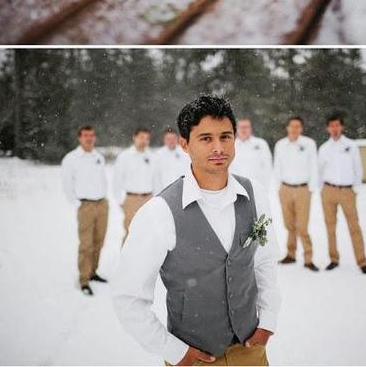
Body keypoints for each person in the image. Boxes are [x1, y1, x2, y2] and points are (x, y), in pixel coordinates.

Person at [112, 94, 281, 366]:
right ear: (184, 145)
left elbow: (264, 260)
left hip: (251, 352)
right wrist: (174, 351)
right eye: (206, 138)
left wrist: (268, 320)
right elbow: (127, 296)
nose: (218, 147)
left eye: (225, 137)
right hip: (194, 358)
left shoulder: (255, 194)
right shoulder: (159, 211)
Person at [318, 113, 366, 274]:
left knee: (354, 227)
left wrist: (355, 189)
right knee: (330, 226)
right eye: (331, 125)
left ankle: (362, 262)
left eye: (337, 125)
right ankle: (333, 259)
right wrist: (322, 189)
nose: (334, 128)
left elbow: (358, 169)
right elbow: (319, 170)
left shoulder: (351, 146)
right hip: (328, 191)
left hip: (347, 191)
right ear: (328, 128)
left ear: (341, 127)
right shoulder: (324, 148)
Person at [61, 125, 108, 296]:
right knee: (86, 244)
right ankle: (84, 279)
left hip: (102, 204)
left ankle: (93, 272)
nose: (89, 138)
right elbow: (67, 184)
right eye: (86, 135)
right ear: (79, 138)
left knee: (99, 241)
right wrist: (77, 204)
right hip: (85, 205)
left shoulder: (98, 157)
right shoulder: (71, 158)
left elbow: (102, 179)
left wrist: (104, 199)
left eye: (92, 135)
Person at [274, 116, 319, 271]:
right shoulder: (280, 145)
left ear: (301, 128)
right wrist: (278, 187)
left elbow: (314, 166)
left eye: (297, 126)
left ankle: (308, 258)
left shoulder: (309, 144)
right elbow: (277, 166)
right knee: (289, 225)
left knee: (302, 226)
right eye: (292, 126)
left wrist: (311, 189)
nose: (294, 129)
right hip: (285, 189)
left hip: (303, 189)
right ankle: (290, 254)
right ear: (287, 128)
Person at [113, 127, 155, 242]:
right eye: (141, 137)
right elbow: (117, 181)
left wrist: (156, 199)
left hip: (149, 199)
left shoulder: (152, 156)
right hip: (132, 199)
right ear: (134, 137)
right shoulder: (125, 156)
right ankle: (127, 259)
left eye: (146, 138)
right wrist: (121, 201)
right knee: (130, 234)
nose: (144, 141)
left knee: (148, 233)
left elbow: (156, 180)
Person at [229, 118, 273, 189]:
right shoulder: (231, 145)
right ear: (236, 129)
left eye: (246, 127)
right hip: (236, 188)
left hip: (257, 187)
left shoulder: (261, 144)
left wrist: (265, 187)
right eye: (241, 127)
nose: (243, 129)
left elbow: (268, 167)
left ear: (251, 128)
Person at [153, 127, 190, 194]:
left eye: (173, 138)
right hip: (164, 192)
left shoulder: (185, 153)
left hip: (183, 191)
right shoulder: (158, 155)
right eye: (168, 139)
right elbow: (156, 177)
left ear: (177, 139)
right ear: (164, 140)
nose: (171, 141)